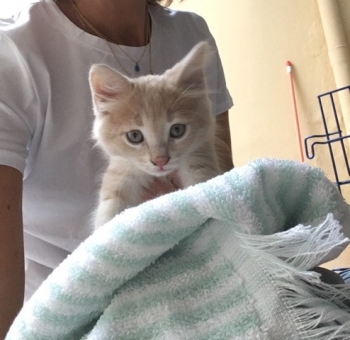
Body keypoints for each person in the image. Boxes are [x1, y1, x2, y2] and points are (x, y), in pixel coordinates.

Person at [0, 0, 233, 336]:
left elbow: (222, 192)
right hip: (72, 313)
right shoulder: (13, 51)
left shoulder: (191, 34)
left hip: (193, 286)